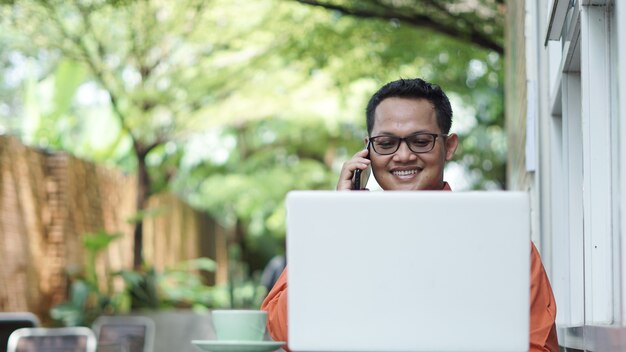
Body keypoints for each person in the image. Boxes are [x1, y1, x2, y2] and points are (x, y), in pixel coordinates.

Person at [261, 78, 558, 352]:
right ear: (368, 151)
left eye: (420, 140)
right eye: (387, 143)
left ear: (449, 146)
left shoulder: (500, 239)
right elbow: (278, 331)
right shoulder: (341, 233)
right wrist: (342, 220)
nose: (403, 155)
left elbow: (536, 344)